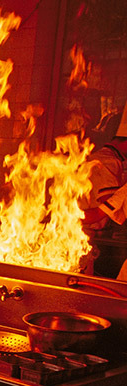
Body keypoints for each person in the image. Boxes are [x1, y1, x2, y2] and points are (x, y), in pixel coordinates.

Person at [81, 104, 127, 279]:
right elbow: (112, 209)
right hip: (81, 237)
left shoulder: (108, 159)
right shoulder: (107, 162)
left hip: (87, 236)